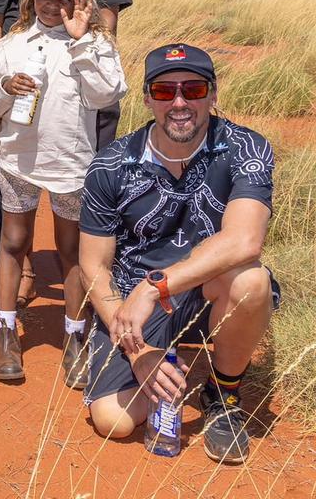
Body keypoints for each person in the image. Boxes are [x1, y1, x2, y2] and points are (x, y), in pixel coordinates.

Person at [80, 44, 278, 465]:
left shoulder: (245, 148)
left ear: (213, 93)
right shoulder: (112, 165)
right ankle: (163, 352)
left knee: (250, 280)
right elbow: (93, 267)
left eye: (193, 88)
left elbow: (245, 242)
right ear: (148, 98)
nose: (181, 102)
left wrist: (156, 288)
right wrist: (138, 353)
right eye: (166, 92)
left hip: (196, 287)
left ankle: (223, 394)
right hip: (135, 304)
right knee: (114, 421)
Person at [0, 0, 127, 383]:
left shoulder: (95, 45)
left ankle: (75, 334)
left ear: (83, 2)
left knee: (71, 250)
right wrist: (5, 86)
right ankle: (6, 330)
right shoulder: (13, 43)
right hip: (17, 158)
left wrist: (79, 41)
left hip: (71, 164)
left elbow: (105, 95)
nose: (52, 3)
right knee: (14, 239)